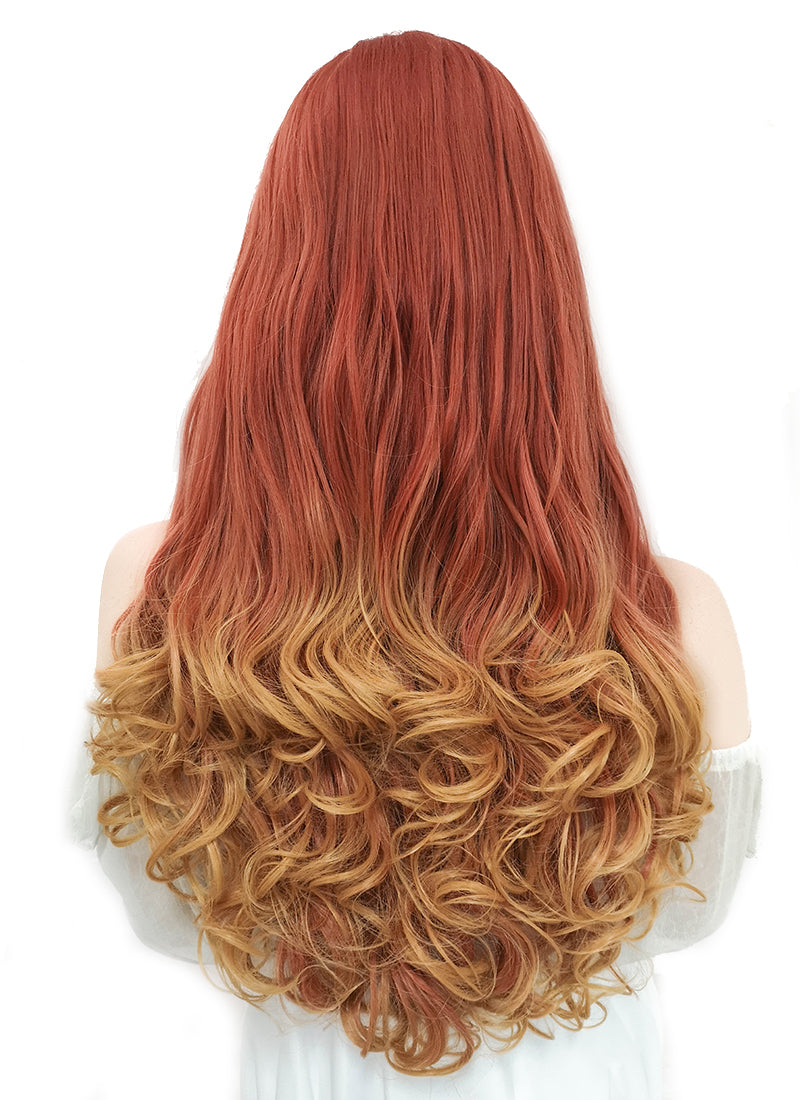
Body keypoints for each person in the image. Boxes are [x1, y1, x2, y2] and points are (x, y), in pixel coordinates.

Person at [71, 29, 762, 1099]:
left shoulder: (165, 592)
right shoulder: (667, 618)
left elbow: (176, 916)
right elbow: (683, 913)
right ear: (531, 289)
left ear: (282, 282)